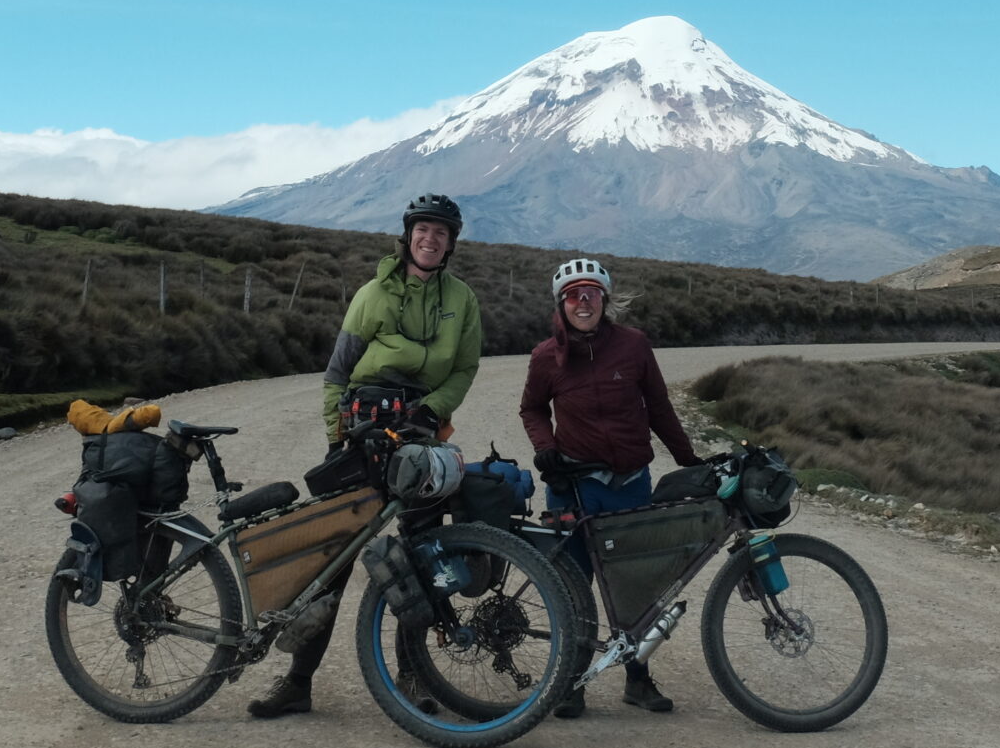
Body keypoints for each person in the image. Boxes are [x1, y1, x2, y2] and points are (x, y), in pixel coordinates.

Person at [247, 195, 486, 720]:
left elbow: (464, 369)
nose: (431, 239)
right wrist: (338, 439)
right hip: (362, 434)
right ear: (408, 236)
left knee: (422, 555)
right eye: (423, 230)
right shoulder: (373, 295)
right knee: (331, 559)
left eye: (441, 233)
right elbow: (337, 374)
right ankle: (298, 681)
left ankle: (411, 676)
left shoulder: (461, 299)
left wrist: (432, 410)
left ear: (451, 243)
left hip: (419, 437)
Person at [519, 255, 701, 718]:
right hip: (575, 488)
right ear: (561, 304)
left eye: (592, 295)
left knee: (634, 588)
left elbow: (659, 407)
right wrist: (545, 450)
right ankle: (573, 683)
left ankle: (637, 681)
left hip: (629, 485)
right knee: (574, 586)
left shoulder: (634, 346)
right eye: (574, 296)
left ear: (605, 300)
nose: (584, 303)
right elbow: (533, 409)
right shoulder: (545, 357)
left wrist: (689, 460)